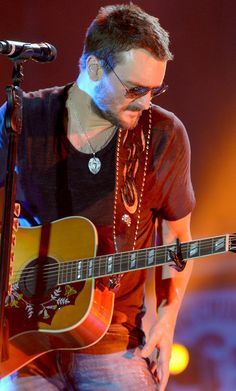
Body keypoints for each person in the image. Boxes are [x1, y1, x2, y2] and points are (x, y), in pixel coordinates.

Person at [0, 3, 195, 390]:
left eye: (155, 90)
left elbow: (176, 237)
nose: (146, 102)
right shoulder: (23, 118)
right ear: (92, 69)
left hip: (113, 338)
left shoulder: (162, 135)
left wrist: (167, 320)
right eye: (135, 89)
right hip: (23, 336)